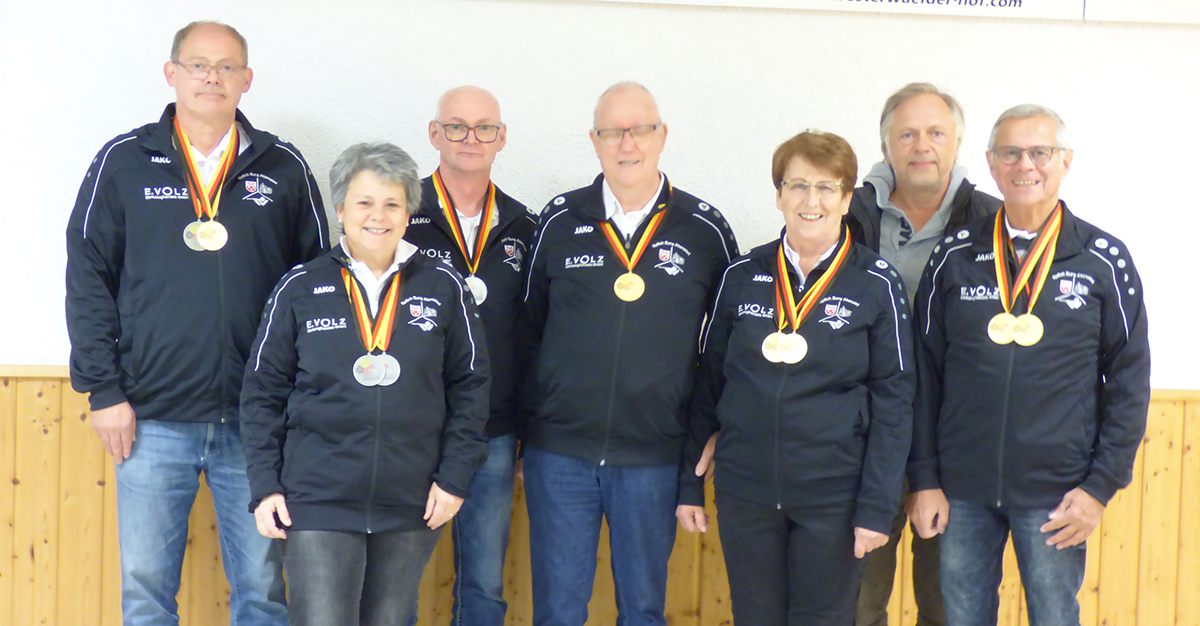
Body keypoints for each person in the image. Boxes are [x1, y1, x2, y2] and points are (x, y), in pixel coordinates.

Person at [64, 20, 327, 625]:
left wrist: (297, 402)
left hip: (257, 422)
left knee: (263, 590)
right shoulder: (123, 161)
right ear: (171, 73)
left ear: (247, 79)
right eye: (199, 64)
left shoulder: (283, 168)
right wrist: (103, 390)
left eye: (227, 66)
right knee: (145, 590)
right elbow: (88, 278)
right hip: (149, 417)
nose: (213, 76)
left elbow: (317, 291)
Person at [908, 105, 1150, 626]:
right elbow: (924, 376)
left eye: (1039, 152)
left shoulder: (1103, 258)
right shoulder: (953, 256)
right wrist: (925, 477)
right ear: (992, 165)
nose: (1026, 165)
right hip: (962, 489)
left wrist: (1098, 488)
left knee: (1053, 618)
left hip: (1059, 492)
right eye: (1011, 153)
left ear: (1065, 162)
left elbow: (1129, 383)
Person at [240, 142, 491, 626]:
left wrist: (454, 478)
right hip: (317, 499)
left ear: (409, 211)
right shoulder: (300, 287)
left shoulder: (443, 285)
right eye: (364, 203)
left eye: (392, 203)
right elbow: (262, 393)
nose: (378, 216)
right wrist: (265, 485)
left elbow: (471, 386)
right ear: (340, 210)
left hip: (411, 499)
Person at [522, 81, 739, 626]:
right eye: (612, 132)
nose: (627, 144)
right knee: (557, 611)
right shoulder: (558, 221)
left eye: (639, 129)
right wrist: (531, 429)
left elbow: (726, 348)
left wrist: (707, 429)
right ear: (594, 141)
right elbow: (529, 330)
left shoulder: (705, 229)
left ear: (661, 135)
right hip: (560, 453)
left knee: (643, 611)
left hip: (655, 456)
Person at [677, 130, 914, 626]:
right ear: (779, 195)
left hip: (834, 493)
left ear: (847, 198)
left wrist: (876, 506)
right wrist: (688, 486)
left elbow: (895, 400)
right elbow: (708, 381)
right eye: (798, 185)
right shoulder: (741, 274)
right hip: (747, 491)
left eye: (827, 187)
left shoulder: (875, 282)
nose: (812, 201)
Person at [848, 83, 1000, 626]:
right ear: (886, 144)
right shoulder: (846, 215)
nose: (921, 145)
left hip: (957, 445)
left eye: (935, 132)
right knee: (857, 608)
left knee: (951, 608)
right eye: (907, 133)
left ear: (957, 142)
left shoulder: (993, 223)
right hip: (861, 444)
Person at [404, 85, 536, 624]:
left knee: (483, 582)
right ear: (434, 134)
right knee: (397, 578)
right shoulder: (400, 213)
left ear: (502, 138)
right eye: (455, 126)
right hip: (412, 430)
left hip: (493, 432)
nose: (470, 138)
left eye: (484, 127)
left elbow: (535, 336)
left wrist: (531, 428)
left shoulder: (526, 227)